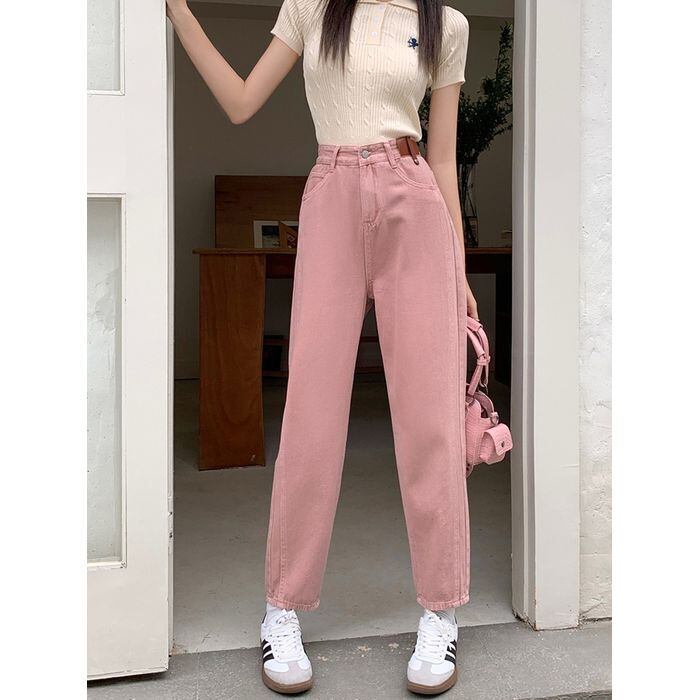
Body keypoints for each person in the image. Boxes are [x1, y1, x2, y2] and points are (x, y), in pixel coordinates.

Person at [167, 0, 479, 694]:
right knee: (309, 416)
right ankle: (281, 607)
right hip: (332, 192)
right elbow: (241, 101)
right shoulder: (311, 8)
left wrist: (457, 270)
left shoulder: (445, 24)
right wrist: (180, 13)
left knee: (430, 422)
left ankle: (441, 610)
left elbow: (443, 157)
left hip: (414, 205)